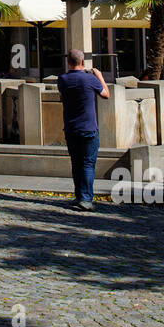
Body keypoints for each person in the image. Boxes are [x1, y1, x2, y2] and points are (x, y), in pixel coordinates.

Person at [56, 49, 110, 212]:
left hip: (71, 128)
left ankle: (79, 195)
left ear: (68, 62)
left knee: (76, 163)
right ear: (82, 63)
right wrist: (99, 76)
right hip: (88, 127)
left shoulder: (62, 80)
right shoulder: (90, 79)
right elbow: (106, 94)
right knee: (87, 163)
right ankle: (86, 199)